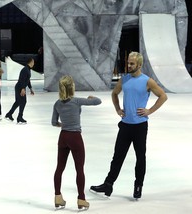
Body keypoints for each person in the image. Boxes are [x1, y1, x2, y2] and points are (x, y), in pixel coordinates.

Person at [90, 51, 167, 199]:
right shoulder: (124, 80)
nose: (129, 65)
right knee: (117, 157)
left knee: (140, 157)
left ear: (139, 64)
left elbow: (163, 96)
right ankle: (108, 185)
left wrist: (149, 110)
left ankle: (138, 186)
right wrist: (118, 109)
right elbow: (114, 93)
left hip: (140, 126)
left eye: (132, 63)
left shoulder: (147, 81)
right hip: (125, 125)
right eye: (128, 63)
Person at [52, 75, 102, 210]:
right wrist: (90, 98)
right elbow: (98, 101)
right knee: (79, 169)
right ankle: (81, 199)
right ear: (72, 87)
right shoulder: (77, 101)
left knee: (59, 168)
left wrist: (63, 124)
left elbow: (53, 122)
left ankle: (58, 196)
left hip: (63, 137)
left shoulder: (57, 104)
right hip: (75, 137)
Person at [4, 57, 35, 124]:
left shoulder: (28, 69)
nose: (34, 63)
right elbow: (21, 80)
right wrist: (23, 89)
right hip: (19, 87)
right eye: (33, 62)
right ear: (31, 62)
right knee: (23, 102)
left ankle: (9, 114)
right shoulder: (25, 70)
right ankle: (19, 117)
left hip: (20, 87)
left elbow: (27, 80)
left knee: (18, 102)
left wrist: (30, 88)